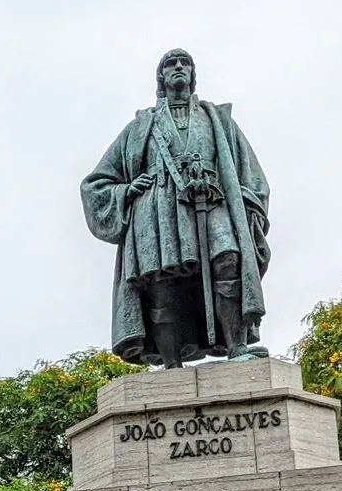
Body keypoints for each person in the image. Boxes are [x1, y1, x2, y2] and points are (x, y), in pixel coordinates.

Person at [81, 49, 271, 367]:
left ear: (193, 75)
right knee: (161, 282)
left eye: (185, 63)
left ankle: (238, 346)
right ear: (162, 77)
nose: (179, 67)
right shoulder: (141, 127)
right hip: (157, 213)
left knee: (228, 258)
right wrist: (126, 190)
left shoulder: (217, 120)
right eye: (171, 64)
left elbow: (251, 175)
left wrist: (245, 200)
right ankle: (171, 365)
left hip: (213, 202)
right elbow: (95, 184)